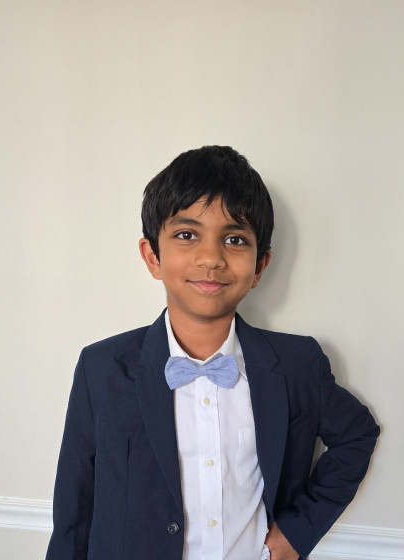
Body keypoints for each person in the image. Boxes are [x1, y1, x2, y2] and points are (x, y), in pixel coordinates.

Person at [45, 145, 380, 560]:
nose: (211, 258)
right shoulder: (101, 369)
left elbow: (357, 434)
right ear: (152, 256)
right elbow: (74, 512)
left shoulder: (298, 365)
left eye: (235, 239)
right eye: (187, 235)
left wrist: (295, 534)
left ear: (260, 266)